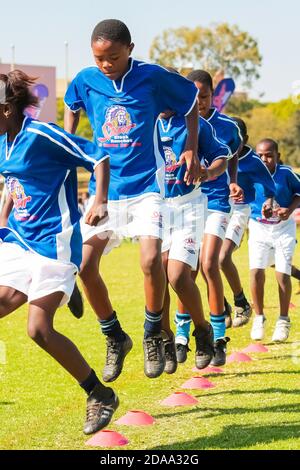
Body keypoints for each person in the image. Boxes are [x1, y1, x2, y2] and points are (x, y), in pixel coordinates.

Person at [64, 19, 201, 380]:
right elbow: (72, 103)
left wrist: (190, 146)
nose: (105, 64)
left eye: (112, 56)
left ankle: (153, 332)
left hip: (147, 189)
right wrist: (69, 142)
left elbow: (190, 103)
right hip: (104, 192)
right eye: (99, 58)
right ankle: (114, 336)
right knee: (84, 264)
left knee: (151, 258)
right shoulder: (86, 79)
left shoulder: (153, 77)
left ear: (130, 49)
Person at [0, 70, 118, 435]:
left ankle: (99, 394)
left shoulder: (42, 134)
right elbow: (15, 184)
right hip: (19, 242)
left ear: (5, 109)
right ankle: (68, 292)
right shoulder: (5, 141)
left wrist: (99, 199)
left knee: (38, 329)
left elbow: (98, 158)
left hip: (55, 243)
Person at [175, 69, 243, 366]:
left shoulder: (227, 126)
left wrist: (231, 179)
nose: (198, 102)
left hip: (215, 201)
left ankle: (218, 337)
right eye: (193, 97)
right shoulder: (178, 123)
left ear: (212, 96)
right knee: (184, 269)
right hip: (187, 203)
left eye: (203, 97)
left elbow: (231, 154)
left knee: (208, 263)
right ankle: (181, 335)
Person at [158, 103, 229, 372]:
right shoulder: (146, 122)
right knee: (157, 273)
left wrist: (209, 172)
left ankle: (202, 331)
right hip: (156, 205)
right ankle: (164, 340)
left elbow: (221, 155)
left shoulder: (194, 125)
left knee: (177, 275)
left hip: (188, 205)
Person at [219, 118, 276, 328]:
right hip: (215, 208)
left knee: (222, 257)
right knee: (202, 261)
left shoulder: (254, 161)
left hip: (240, 211)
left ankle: (240, 301)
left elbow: (270, 187)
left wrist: (268, 202)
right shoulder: (218, 152)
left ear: (245, 139)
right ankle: (220, 306)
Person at [249, 138, 300, 342]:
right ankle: (259, 317)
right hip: (258, 227)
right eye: (260, 155)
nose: (264, 159)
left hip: (283, 229)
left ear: (278, 156)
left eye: (269, 155)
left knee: (282, 273)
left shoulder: (285, 173)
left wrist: (289, 209)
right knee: (256, 271)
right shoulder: (251, 173)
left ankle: (283, 320)